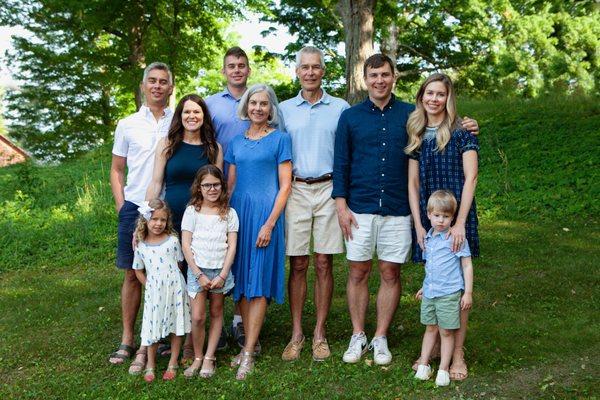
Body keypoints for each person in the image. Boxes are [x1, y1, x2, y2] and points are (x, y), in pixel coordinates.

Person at [332, 54, 479, 366]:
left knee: (390, 271)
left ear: (393, 76)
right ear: (365, 79)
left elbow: (444, 122)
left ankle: (381, 336)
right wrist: (341, 205)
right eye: (373, 75)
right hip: (359, 206)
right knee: (358, 270)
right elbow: (340, 163)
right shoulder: (350, 117)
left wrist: (469, 125)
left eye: (385, 74)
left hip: (399, 209)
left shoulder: (411, 115)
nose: (379, 81)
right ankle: (358, 334)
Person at [406, 72, 479, 381]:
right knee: (436, 280)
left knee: (457, 284)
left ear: (448, 99)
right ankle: (434, 347)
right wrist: (419, 225)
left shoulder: (462, 132)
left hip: (456, 217)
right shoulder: (417, 133)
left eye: (440, 94)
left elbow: (471, 177)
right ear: (422, 96)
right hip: (430, 217)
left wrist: (459, 223)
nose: (433, 99)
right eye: (429, 93)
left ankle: (457, 351)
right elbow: (412, 184)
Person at [279, 46, 349, 361]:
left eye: (315, 67)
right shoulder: (283, 110)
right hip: (294, 189)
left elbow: (349, 151)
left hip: (328, 188)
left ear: (323, 71)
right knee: (298, 263)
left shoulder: (340, 107)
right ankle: (297, 333)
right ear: (297, 71)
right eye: (304, 67)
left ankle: (320, 332)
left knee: (323, 262)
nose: (310, 72)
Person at [109, 62, 174, 373]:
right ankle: (127, 337)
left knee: (171, 272)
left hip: (168, 208)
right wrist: (123, 205)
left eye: (163, 82)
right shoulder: (127, 124)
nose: (158, 86)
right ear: (144, 86)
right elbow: (117, 169)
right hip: (135, 206)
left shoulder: (179, 120)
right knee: (133, 273)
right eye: (152, 81)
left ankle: (164, 336)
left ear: (171, 88)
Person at [225, 84, 292, 380]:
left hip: (266, 215)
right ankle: (246, 345)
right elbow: (229, 187)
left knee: (259, 280)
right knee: (239, 280)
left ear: (271, 109)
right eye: (253, 103)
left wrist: (269, 223)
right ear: (246, 107)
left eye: (264, 104)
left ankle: (249, 351)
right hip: (239, 215)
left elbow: (285, 185)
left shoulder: (280, 140)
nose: (258, 108)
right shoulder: (235, 143)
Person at [206, 46, 251, 349]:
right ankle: (216, 323)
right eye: (231, 65)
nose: (236, 70)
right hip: (218, 189)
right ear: (224, 71)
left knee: (245, 253)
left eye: (241, 65)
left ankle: (240, 321)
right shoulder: (210, 105)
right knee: (217, 252)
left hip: (252, 189)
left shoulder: (259, 100)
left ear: (249, 70)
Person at [180, 165, 239, 378]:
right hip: (198, 272)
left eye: (216, 185)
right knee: (197, 317)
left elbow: (232, 246)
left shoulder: (229, 213)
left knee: (216, 313)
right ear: (199, 188)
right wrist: (198, 274)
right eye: (207, 185)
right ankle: (197, 356)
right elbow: (186, 245)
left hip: (219, 271)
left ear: (222, 187)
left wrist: (223, 274)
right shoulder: (191, 212)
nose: (212, 189)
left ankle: (209, 357)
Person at [413, 190, 473, 387]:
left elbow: (466, 265)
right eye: (437, 215)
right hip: (431, 293)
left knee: (446, 331)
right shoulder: (428, 240)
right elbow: (430, 267)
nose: (441, 221)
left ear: (452, 218)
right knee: (430, 328)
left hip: (449, 294)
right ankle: (424, 364)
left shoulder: (455, 239)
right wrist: (424, 287)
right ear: (428, 214)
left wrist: (468, 292)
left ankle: (443, 368)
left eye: (446, 217)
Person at [132, 199, 191, 382]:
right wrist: (148, 284)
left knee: (176, 324)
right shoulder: (141, 245)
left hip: (174, 289)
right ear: (145, 220)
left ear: (167, 221)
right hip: (154, 291)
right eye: (154, 219)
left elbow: (180, 262)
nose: (158, 224)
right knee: (152, 326)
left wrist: (172, 281)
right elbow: (137, 269)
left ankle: (173, 362)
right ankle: (150, 364)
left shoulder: (173, 241)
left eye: (162, 220)